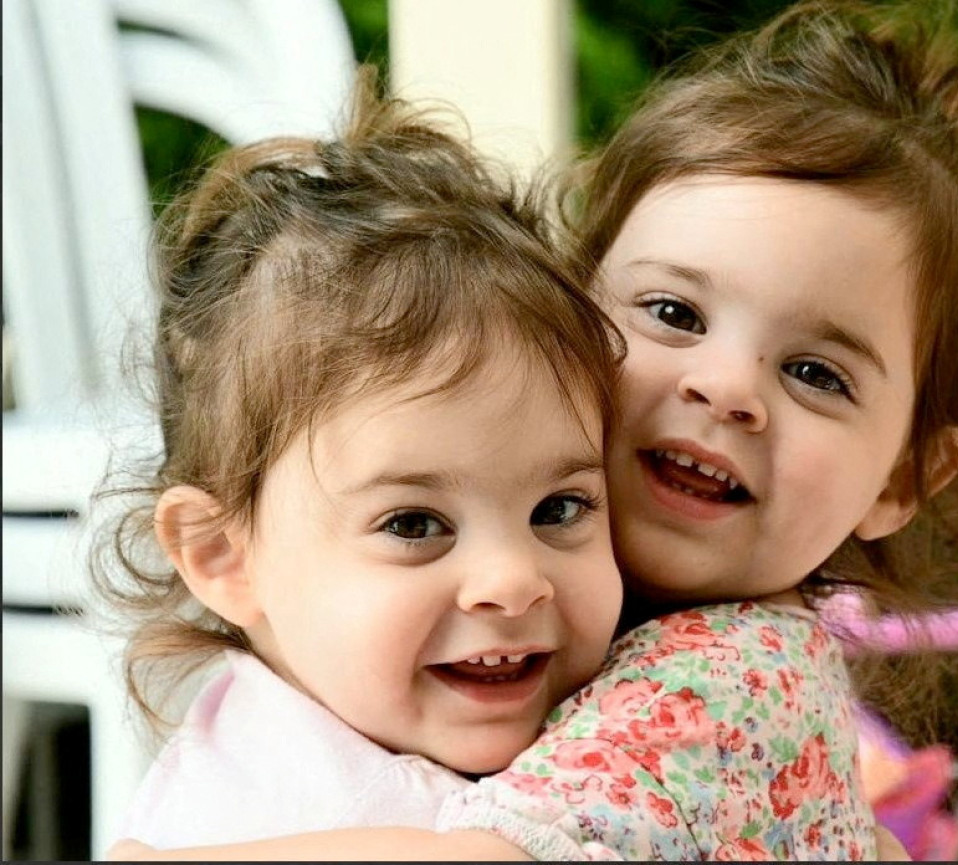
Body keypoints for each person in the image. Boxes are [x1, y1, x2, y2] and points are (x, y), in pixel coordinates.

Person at [112, 0, 958, 858]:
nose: (729, 390)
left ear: (902, 475)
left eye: (816, 373)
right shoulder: (540, 644)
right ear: (574, 316)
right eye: (674, 314)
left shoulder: (732, 678)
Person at [94, 70, 626, 848]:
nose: (515, 579)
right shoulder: (263, 809)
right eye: (415, 523)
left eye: (559, 509)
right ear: (224, 556)